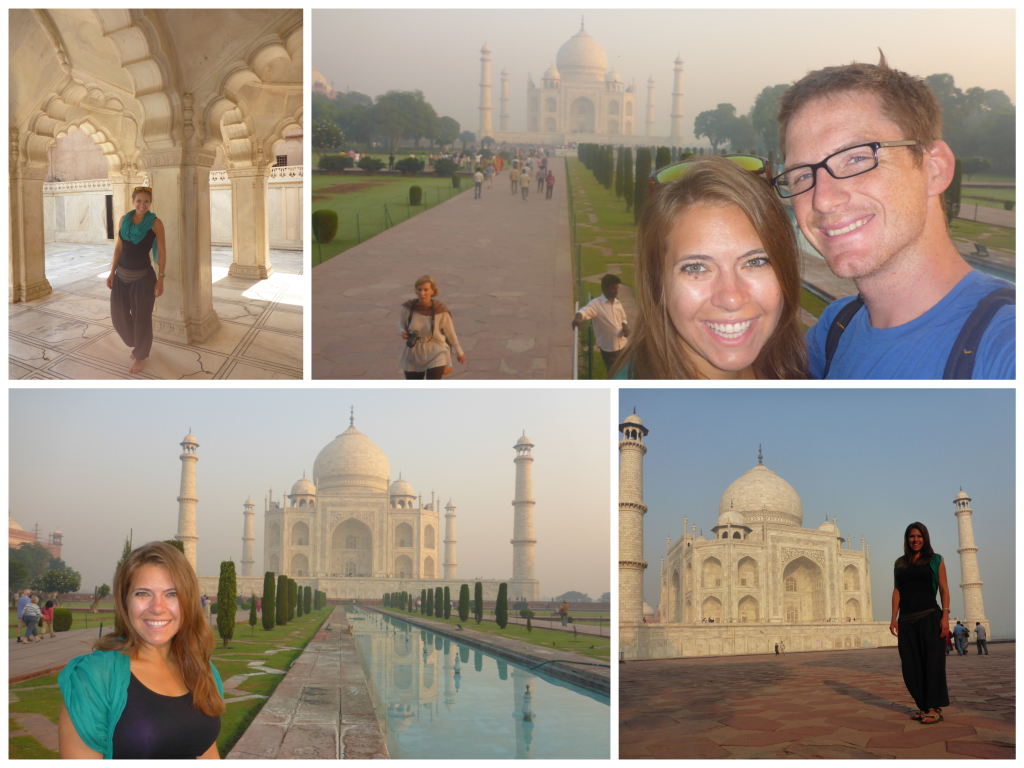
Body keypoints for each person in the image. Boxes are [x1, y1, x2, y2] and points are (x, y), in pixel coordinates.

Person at [775, 52, 1015, 379]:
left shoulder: (1004, 345)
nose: (823, 200)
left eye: (856, 158)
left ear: (935, 168)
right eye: (803, 176)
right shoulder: (834, 332)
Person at [612, 156, 807, 380]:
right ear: (658, 281)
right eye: (695, 268)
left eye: (755, 262)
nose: (731, 299)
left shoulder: (791, 368)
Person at [57, 541, 224, 758]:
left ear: (188, 601)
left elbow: (205, 752)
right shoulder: (94, 678)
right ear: (125, 601)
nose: (157, 608)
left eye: (171, 594)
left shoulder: (202, 669)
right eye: (143, 594)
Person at [890, 522, 950, 724]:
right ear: (907, 540)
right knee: (910, 665)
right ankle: (923, 706)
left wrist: (945, 617)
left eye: (919, 536)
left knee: (932, 663)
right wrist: (893, 618)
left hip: (929, 616)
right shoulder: (900, 563)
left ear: (925, 538)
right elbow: (897, 590)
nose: (915, 540)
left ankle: (933, 707)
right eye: (911, 537)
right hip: (906, 620)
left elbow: (943, 589)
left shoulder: (935, 560)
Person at [107, 186, 166, 375]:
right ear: (133, 202)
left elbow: (162, 251)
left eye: (146, 201)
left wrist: (161, 278)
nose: (142, 205)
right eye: (139, 201)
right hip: (121, 277)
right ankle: (137, 342)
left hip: (143, 279)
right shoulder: (124, 220)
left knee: (142, 319)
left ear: (150, 203)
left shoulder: (155, 223)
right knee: (118, 316)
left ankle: (141, 353)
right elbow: (118, 248)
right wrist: (111, 272)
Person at [399, 275, 465, 380]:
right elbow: (402, 325)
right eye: (419, 290)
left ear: (432, 291)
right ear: (416, 291)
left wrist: (459, 351)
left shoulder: (440, 310)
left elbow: (450, 333)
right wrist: (403, 332)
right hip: (414, 352)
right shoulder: (408, 308)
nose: (422, 293)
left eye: (426, 290)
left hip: (436, 351)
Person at [572, 274, 630, 372]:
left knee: (624, 372)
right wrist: (578, 318)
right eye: (613, 289)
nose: (616, 291)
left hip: (623, 345)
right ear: (604, 288)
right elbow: (584, 311)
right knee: (614, 374)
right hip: (609, 350)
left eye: (617, 288)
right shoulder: (596, 304)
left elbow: (623, 318)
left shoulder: (617, 303)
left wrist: (625, 326)